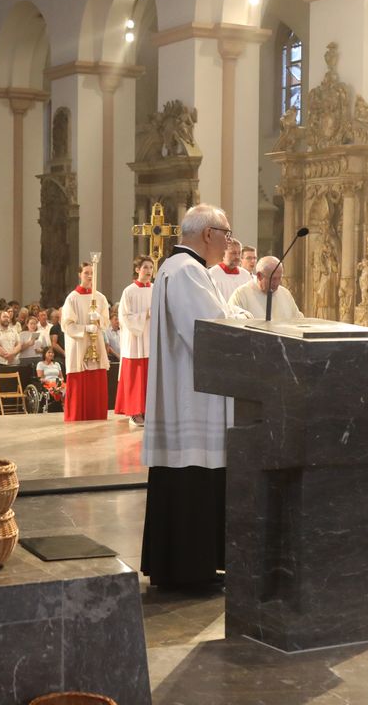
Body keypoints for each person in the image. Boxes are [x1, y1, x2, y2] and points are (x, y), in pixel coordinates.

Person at [141, 203, 236, 589]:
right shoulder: (187, 272)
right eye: (226, 232)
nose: (230, 240)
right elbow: (209, 331)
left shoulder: (181, 269)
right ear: (208, 234)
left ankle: (186, 568)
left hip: (186, 395)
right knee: (194, 482)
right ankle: (190, 572)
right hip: (194, 399)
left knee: (188, 483)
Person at [60, 261, 112, 421]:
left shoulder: (101, 298)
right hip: (79, 345)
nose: (90, 276)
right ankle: (77, 416)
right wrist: (85, 329)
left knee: (96, 382)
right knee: (79, 382)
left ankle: (96, 415)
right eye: (86, 273)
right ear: (79, 275)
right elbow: (66, 325)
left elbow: (106, 322)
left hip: (96, 345)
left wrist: (100, 319)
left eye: (92, 273)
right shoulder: (72, 298)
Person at [115, 255, 154, 426]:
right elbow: (124, 317)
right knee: (136, 377)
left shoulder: (156, 289)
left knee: (149, 377)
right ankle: (135, 411)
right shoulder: (129, 291)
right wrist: (145, 315)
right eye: (145, 267)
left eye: (151, 268)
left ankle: (149, 411)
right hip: (135, 340)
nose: (148, 271)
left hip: (151, 339)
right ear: (137, 270)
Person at [228, 255, 303, 321]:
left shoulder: (285, 293)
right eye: (273, 279)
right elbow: (233, 324)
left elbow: (297, 319)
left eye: (279, 278)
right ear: (259, 276)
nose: (277, 283)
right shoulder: (241, 294)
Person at [207, 237, 250, 302]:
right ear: (223, 253)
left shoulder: (246, 275)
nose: (237, 257)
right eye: (233, 253)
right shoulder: (212, 274)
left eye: (239, 253)